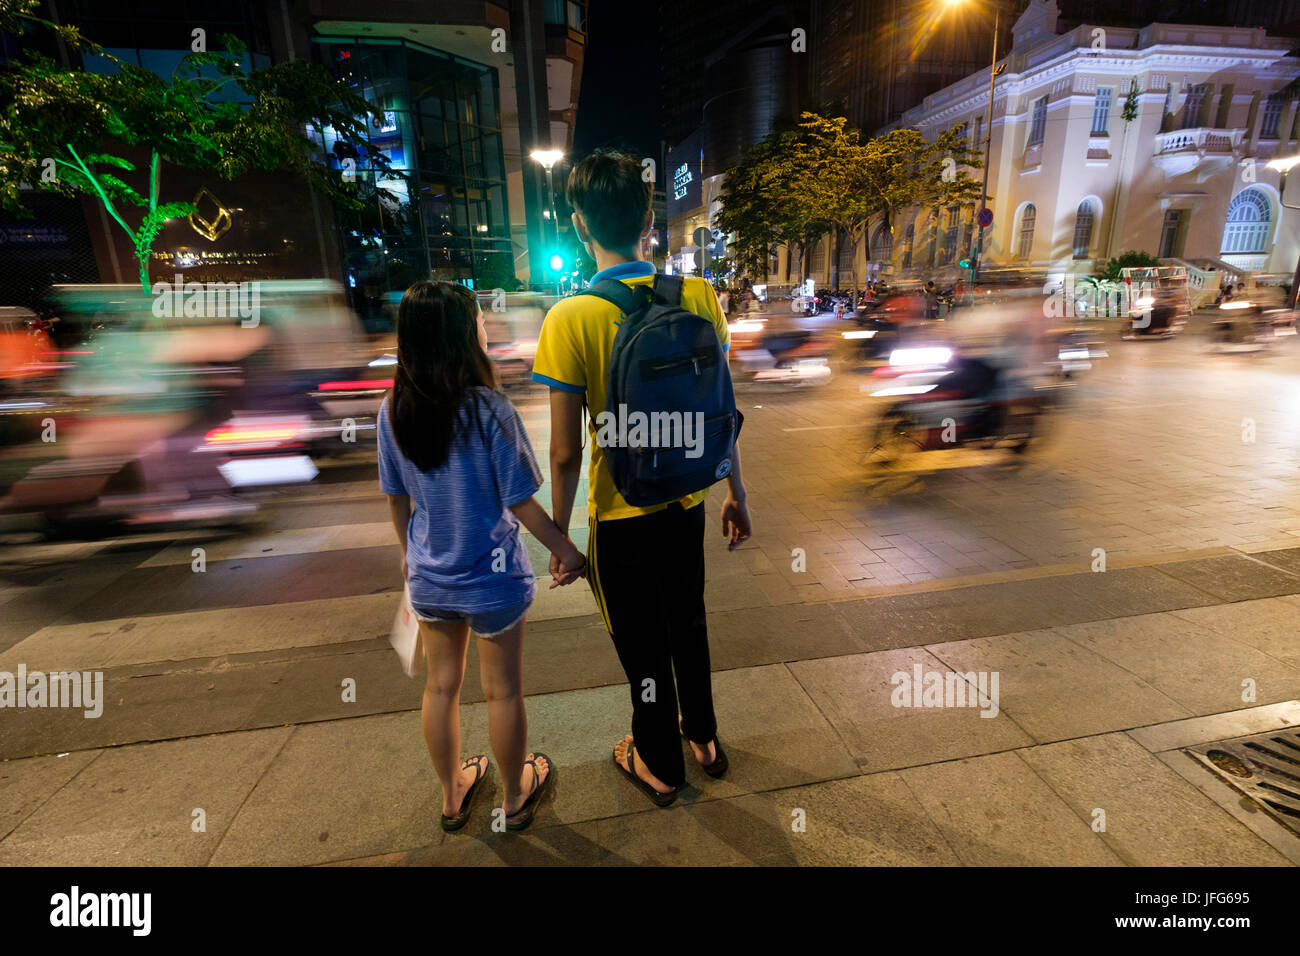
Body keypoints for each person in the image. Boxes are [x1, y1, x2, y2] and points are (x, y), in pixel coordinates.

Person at [531, 149, 753, 807]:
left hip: (621, 514)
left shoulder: (569, 318)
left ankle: (657, 761)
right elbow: (723, 409)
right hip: (686, 501)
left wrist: (562, 542)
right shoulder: (699, 295)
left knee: (643, 647)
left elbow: (566, 454)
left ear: (578, 224)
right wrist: (736, 492)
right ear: (649, 220)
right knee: (689, 622)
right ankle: (704, 738)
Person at [379, 280, 586, 833]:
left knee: (440, 687)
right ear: (461, 336)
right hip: (493, 581)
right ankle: (514, 797)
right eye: (477, 320)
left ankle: (452, 797)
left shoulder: (392, 410)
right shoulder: (491, 411)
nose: (484, 328)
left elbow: (397, 499)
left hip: (431, 578)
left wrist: (408, 556)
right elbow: (522, 503)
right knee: (503, 691)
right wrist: (567, 551)